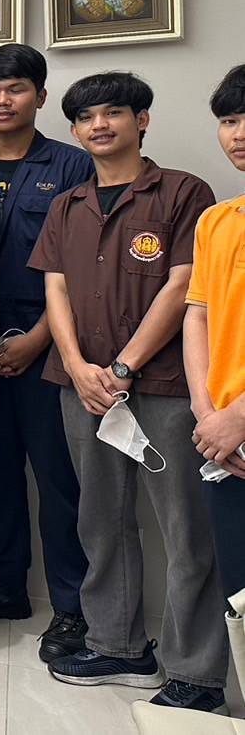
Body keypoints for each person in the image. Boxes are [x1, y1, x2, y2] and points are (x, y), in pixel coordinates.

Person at [34, 71, 226, 711]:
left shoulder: (184, 193)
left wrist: (122, 368)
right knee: (100, 518)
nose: (100, 125)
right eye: (87, 118)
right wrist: (76, 365)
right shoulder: (67, 204)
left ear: (142, 120)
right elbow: (55, 288)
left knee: (185, 528)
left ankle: (197, 675)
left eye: (114, 113)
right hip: (81, 388)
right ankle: (118, 645)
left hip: (165, 387)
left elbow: (183, 286)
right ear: (74, 131)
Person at [0, 45, 93, 662]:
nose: (2, 101)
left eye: (14, 88)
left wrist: (37, 339)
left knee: (60, 481)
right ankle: (1, 585)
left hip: (53, 348)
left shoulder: (74, 166)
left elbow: (85, 267)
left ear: (39, 95)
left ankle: (74, 605)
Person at [187, 64, 245, 603]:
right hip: (224, 443)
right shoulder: (216, 221)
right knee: (239, 597)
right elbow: (198, 316)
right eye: (229, 121)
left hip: (236, 424)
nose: (238, 133)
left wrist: (239, 416)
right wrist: (208, 416)